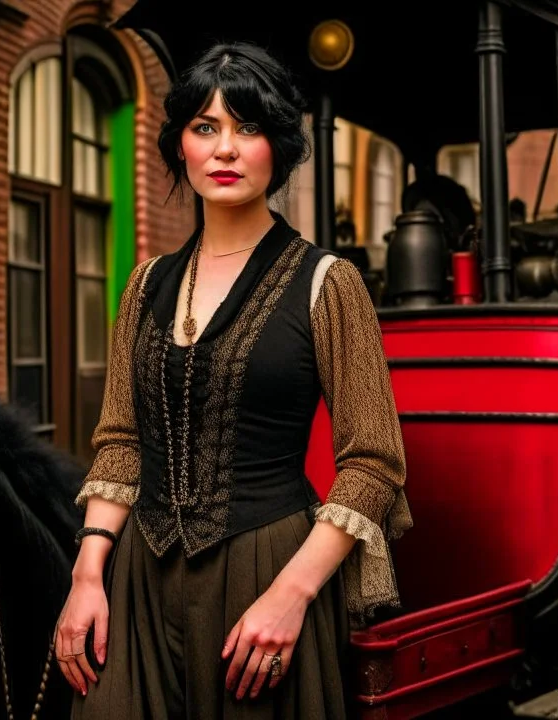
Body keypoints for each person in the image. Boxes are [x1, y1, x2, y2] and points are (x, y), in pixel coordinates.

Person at [55, 41, 411, 719]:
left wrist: (293, 594)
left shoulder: (327, 284)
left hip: (266, 572)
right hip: (136, 577)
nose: (225, 149)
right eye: (205, 128)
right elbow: (121, 441)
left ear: (278, 146)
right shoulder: (145, 284)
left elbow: (373, 463)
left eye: (247, 128)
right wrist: (88, 571)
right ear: (180, 146)